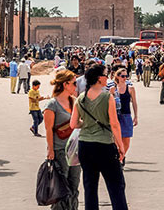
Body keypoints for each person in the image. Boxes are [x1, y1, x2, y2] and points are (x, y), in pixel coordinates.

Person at [70, 64, 128, 210]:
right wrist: (120, 147)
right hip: (104, 146)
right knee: (116, 186)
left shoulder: (81, 98)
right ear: (98, 79)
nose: (107, 77)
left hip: (85, 145)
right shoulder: (107, 97)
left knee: (90, 187)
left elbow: (73, 124)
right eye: (105, 75)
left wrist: (87, 123)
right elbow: (114, 124)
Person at [44, 70, 81, 210]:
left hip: (75, 152)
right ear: (65, 84)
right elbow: (48, 129)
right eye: (73, 83)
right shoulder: (52, 105)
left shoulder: (74, 101)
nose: (75, 86)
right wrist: (51, 150)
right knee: (60, 188)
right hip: (60, 151)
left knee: (74, 186)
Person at [115, 67, 137, 163]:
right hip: (116, 116)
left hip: (126, 115)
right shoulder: (113, 89)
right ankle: (118, 159)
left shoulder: (130, 88)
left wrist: (136, 116)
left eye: (126, 76)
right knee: (116, 140)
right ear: (118, 77)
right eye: (123, 76)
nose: (125, 78)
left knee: (126, 140)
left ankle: (122, 156)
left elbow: (134, 102)